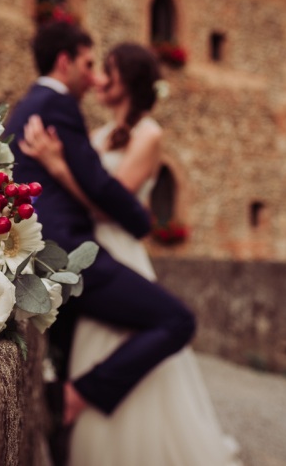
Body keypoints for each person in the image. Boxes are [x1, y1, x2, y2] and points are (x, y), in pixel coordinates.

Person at [18, 42, 242, 466]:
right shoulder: (99, 134)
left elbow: (111, 200)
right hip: (91, 243)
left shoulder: (149, 134)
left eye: (110, 71)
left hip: (119, 248)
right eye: (96, 68)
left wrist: (58, 166)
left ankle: (91, 403)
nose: (100, 78)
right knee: (96, 343)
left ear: (131, 80)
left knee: (157, 325)